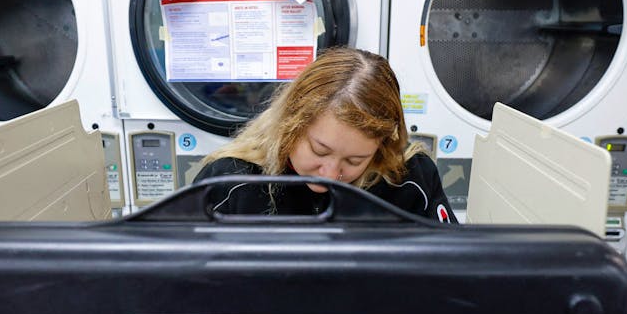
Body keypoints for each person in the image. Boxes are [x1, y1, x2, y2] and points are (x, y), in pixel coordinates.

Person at [193, 46, 454, 223]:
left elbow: (452, 270)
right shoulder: (231, 181)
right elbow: (180, 280)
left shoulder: (409, 178)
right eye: (319, 150)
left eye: (355, 161)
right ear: (289, 125)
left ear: (382, 148)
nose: (330, 174)